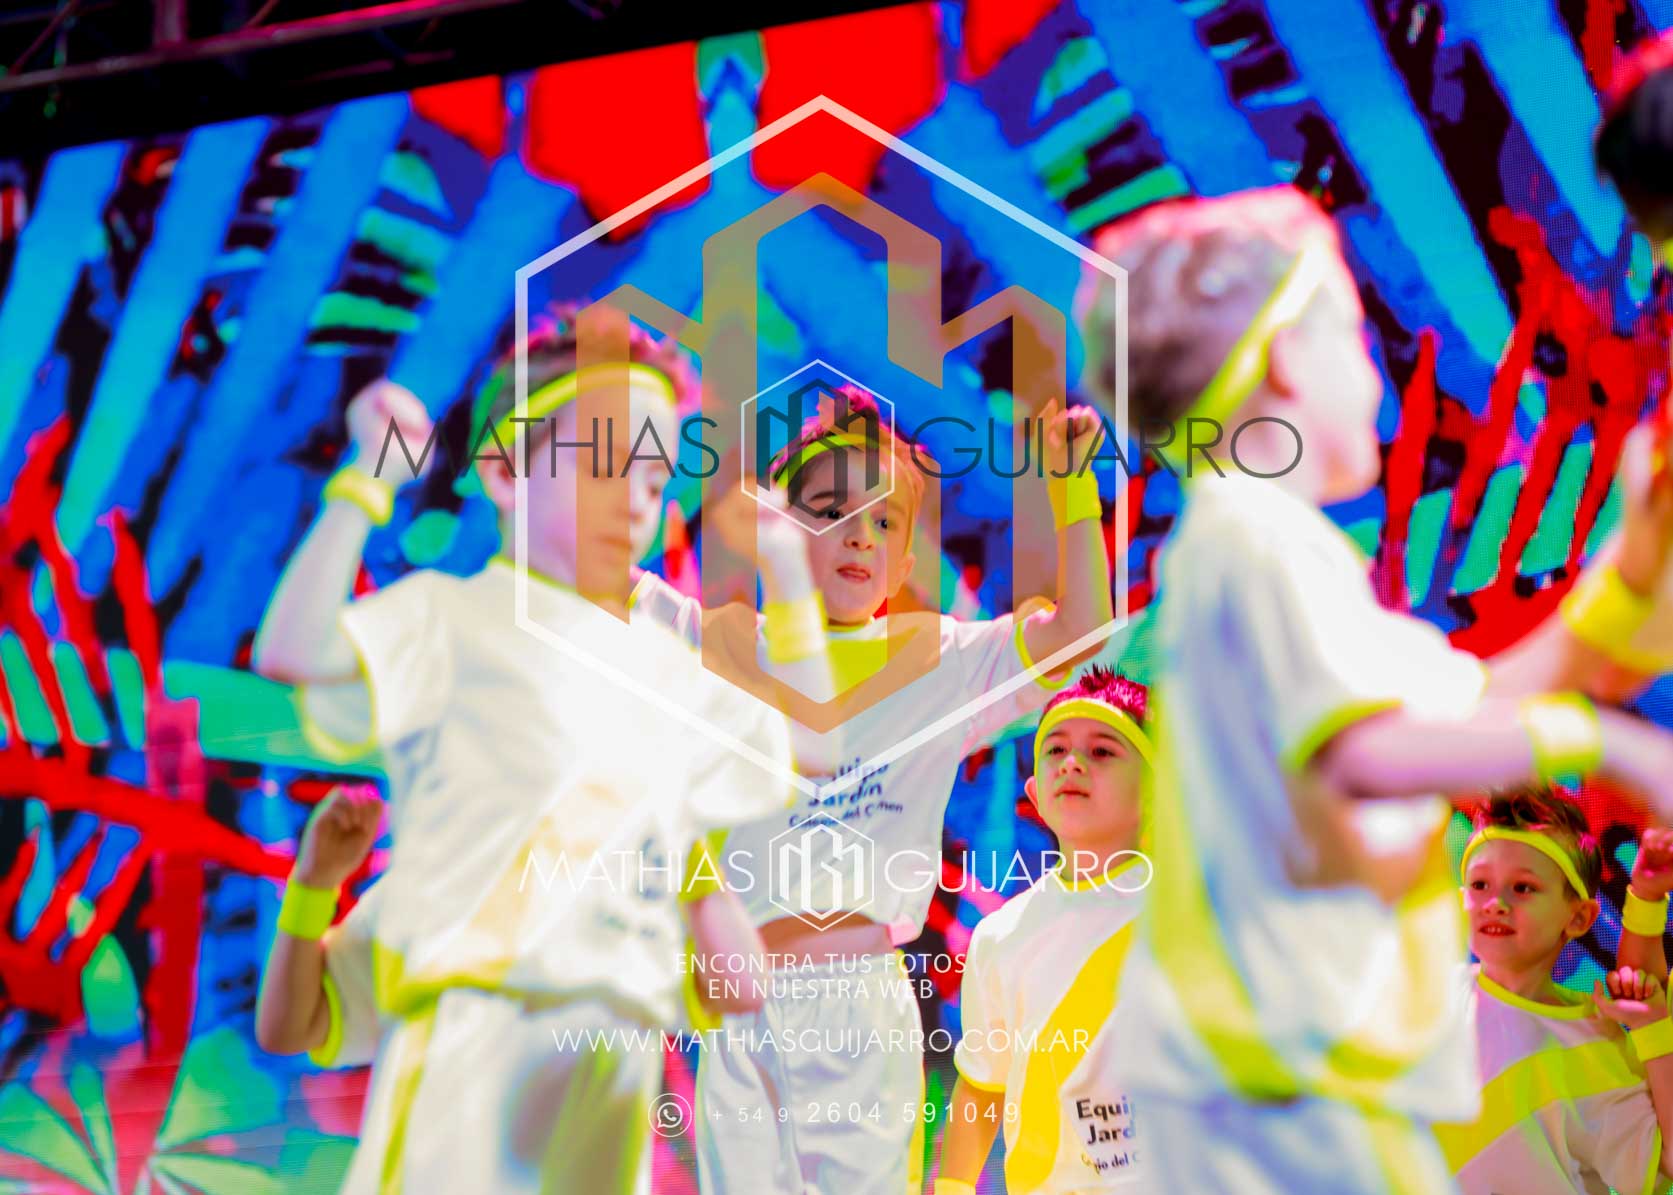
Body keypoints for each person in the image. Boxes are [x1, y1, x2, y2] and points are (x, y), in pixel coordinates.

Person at [1075, 185, 1673, 1193]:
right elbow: (1368, 752)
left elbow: (1470, 703)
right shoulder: (1249, 542)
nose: (1372, 373)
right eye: (1351, 335)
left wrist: (1624, 576)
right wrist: (1606, 743)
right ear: (1280, 360)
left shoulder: (1275, 553)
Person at [250, 310, 811, 1194]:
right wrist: (370, 478)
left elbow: (742, 970)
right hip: (476, 1051)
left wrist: (786, 567)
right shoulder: (454, 627)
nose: (635, 498)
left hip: (613, 1075)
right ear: (507, 471)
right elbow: (293, 647)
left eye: (656, 477)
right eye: (603, 461)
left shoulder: (665, 697)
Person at [630, 386, 1115, 1193]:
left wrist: (1071, 485)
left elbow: (1080, 635)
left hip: (863, 1006)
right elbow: (585, 579)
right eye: (831, 511)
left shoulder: (941, 663)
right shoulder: (714, 644)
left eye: (885, 521)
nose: (860, 534)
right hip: (743, 1009)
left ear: (904, 562)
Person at [937, 667, 1155, 1195]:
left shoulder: (1190, 916)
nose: (1072, 763)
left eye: (1102, 751)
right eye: (1055, 750)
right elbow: (981, 1087)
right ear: (1033, 792)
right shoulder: (1000, 935)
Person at [1436, 787, 1673, 1194]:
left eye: (1523, 887)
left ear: (1579, 918)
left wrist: (1655, 1031)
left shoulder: (1595, 1043)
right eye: (1479, 884)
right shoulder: (1425, 1000)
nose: (1495, 903)